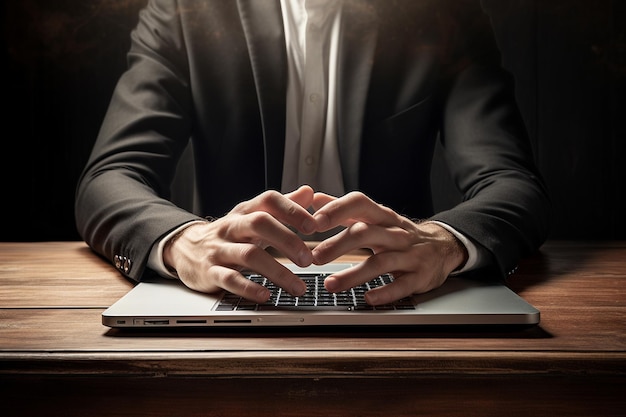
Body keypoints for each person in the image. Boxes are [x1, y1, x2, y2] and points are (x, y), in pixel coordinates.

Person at [75, 0, 550, 306]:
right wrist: (181, 241)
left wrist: (445, 244)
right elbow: (110, 177)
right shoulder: (185, 11)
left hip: (400, 289)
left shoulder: (443, 15)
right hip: (234, 288)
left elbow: (512, 182)